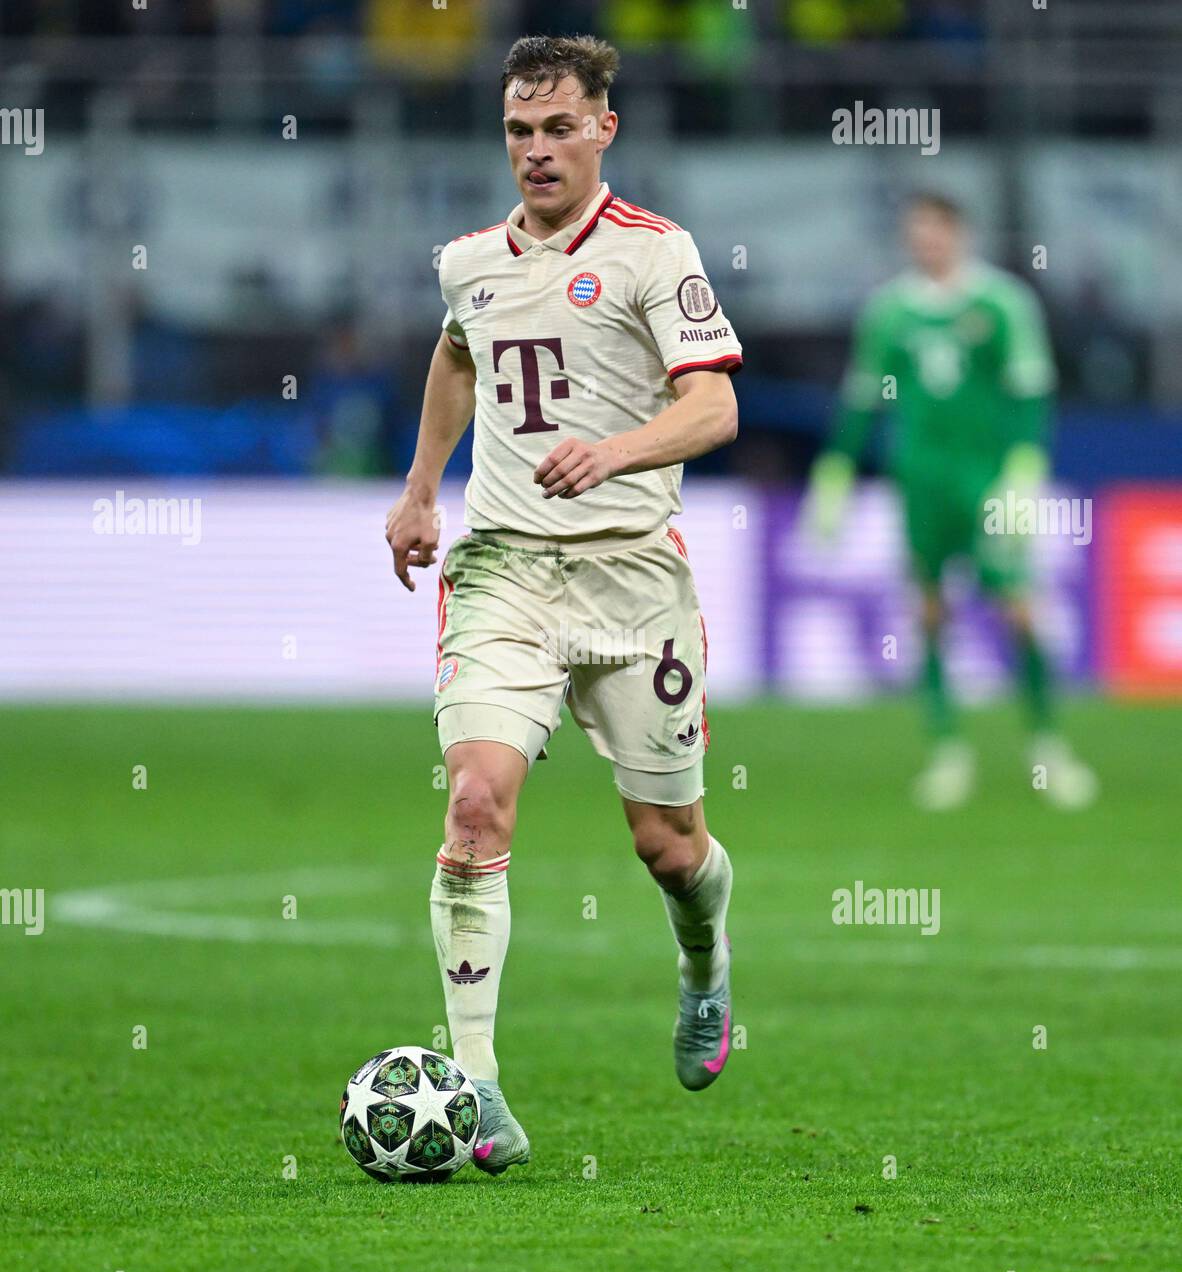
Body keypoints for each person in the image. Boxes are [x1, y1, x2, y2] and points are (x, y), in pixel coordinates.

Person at [384, 34, 743, 1174]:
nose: (535, 151)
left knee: (669, 846)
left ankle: (704, 971)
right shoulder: (468, 262)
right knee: (476, 808)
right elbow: (457, 358)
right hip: (504, 572)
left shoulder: (654, 253)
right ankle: (477, 1087)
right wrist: (420, 487)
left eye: (556, 129)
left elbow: (714, 408)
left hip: (634, 577)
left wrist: (618, 451)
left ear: (603, 129)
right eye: (517, 132)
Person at [803, 192, 1097, 811]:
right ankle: (948, 752)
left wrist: (1023, 466)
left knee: (1018, 608)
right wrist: (835, 468)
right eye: (917, 232)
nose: (926, 242)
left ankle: (1047, 746)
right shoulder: (890, 311)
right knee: (930, 611)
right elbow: (862, 400)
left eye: (936, 230)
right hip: (921, 481)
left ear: (959, 233)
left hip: (986, 483)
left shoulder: (1002, 303)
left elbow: (1030, 391)